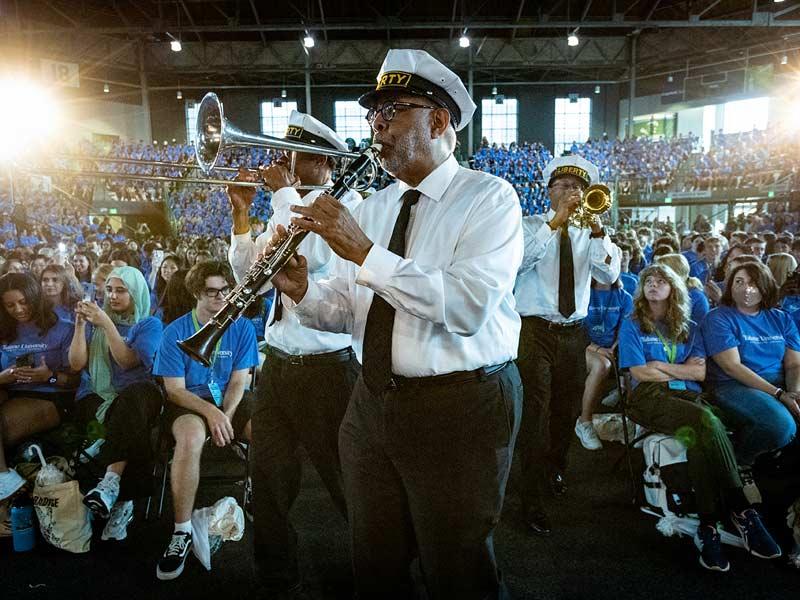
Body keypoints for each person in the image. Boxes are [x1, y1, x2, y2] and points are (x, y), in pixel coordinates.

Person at [270, 49, 523, 598]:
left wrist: (364, 254)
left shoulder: (489, 199)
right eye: (372, 116)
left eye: (392, 112)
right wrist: (303, 290)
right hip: (372, 401)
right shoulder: (377, 206)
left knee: (457, 567)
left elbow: (466, 306)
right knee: (375, 559)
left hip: (459, 405)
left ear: (438, 121)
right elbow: (349, 311)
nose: (375, 127)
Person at [227, 111, 363, 593]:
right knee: (266, 480)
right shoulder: (284, 208)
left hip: (330, 369)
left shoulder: (348, 207)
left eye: (298, 155)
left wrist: (283, 194)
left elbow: (317, 261)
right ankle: (276, 576)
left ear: (325, 164)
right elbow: (253, 279)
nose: (284, 161)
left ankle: (379, 574)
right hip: (280, 366)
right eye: (286, 152)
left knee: (347, 484)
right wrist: (242, 218)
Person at [619, 262, 781, 570]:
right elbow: (639, 372)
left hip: (688, 396)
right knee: (708, 421)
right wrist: (674, 370)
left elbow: (699, 371)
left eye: (661, 279)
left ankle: (707, 528)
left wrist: (661, 367)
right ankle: (741, 508)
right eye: (648, 280)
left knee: (698, 436)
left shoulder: (689, 326)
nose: (653, 283)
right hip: (648, 397)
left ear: (673, 288)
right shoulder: (632, 323)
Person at [514, 154, 620, 535]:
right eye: (563, 186)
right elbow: (517, 264)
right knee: (536, 412)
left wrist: (596, 231)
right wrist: (555, 223)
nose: (571, 193)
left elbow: (609, 272)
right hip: (533, 330)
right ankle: (530, 495)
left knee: (565, 412)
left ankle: (555, 469)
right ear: (548, 192)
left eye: (578, 187)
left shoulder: (591, 233)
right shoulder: (527, 226)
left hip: (574, 333)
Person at [152, 261, 258, 581]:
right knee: (190, 437)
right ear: (197, 292)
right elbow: (174, 391)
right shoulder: (175, 331)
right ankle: (182, 531)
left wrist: (225, 414)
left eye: (226, 290)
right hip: (190, 401)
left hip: (228, 399)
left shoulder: (242, 327)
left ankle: (258, 493)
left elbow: (240, 381)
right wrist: (211, 414)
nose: (220, 298)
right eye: (211, 292)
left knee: (267, 431)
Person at [68, 266, 163, 541]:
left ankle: (110, 485)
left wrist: (106, 324)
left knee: (132, 401)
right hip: (101, 398)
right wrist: (80, 326)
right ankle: (120, 499)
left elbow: (128, 361)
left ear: (135, 292)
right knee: (126, 424)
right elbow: (76, 364)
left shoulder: (149, 324)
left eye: (121, 290)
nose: (113, 296)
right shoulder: (96, 321)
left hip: (140, 398)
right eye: (109, 290)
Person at [702, 261, 800, 473]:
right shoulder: (718, 318)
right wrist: (780, 393)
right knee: (780, 426)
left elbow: (793, 364)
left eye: (754, 283)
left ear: (765, 287)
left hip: (779, 383)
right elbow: (732, 367)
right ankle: (737, 463)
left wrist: (795, 392)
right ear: (730, 287)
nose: (746, 289)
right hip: (733, 385)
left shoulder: (781, 318)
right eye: (739, 282)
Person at [0, 273, 78, 499]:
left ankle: (5, 484)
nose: (18, 309)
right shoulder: (4, 331)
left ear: (35, 297)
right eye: (10, 305)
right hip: (9, 389)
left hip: (50, 396)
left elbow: (75, 381)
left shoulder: (64, 328)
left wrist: (49, 377)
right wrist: (4, 378)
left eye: (24, 302)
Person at [575, 275, 632, 450]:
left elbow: (624, 330)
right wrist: (599, 350)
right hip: (584, 347)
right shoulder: (583, 292)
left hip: (611, 349)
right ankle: (584, 421)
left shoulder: (624, 297)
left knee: (632, 360)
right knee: (603, 365)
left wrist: (613, 349)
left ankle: (632, 418)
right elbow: (577, 330)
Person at [656, 253, 710, 325]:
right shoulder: (662, 292)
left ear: (675, 274)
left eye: (661, 273)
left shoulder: (697, 297)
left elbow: (699, 328)